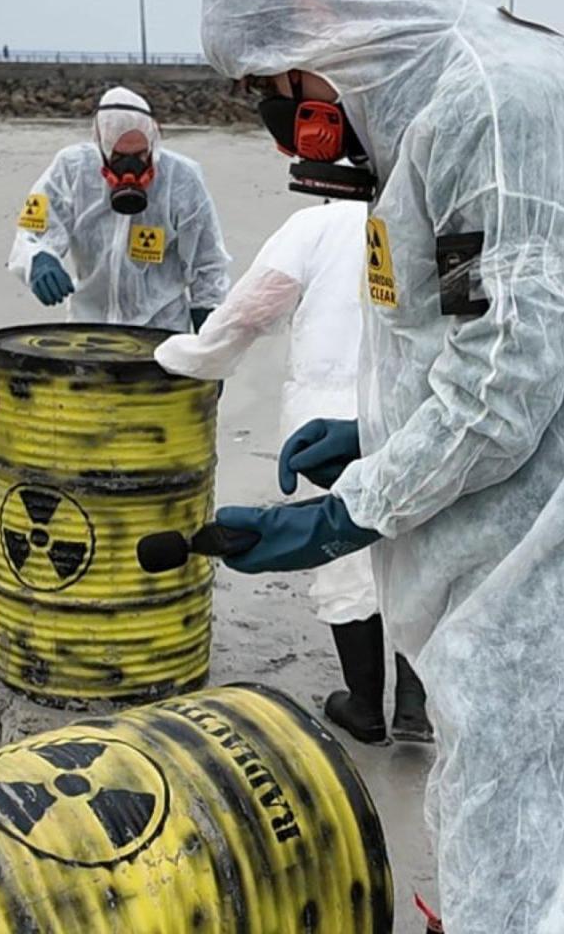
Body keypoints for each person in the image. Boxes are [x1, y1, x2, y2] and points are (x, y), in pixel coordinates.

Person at [200, 0, 564, 932]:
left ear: (322, 26)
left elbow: (504, 391)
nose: (277, 115)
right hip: (505, 521)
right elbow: (491, 340)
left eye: (268, 85)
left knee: (515, 859)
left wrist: (345, 513)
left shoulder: (492, 107)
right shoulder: (441, 109)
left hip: (550, 541)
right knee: (504, 833)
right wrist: (380, 434)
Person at [155, 200, 430, 745]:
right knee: (415, 548)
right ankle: (415, 708)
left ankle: (364, 705)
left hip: (322, 421)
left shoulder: (314, 225)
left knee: (344, 557)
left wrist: (188, 358)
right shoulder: (422, 211)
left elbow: (252, 310)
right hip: (412, 409)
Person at [8, 85, 233, 331]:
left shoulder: (181, 179)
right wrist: (39, 259)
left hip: (160, 329)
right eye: (118, 157)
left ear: (153, 142)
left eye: (140, 155)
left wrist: (207, 315)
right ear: (101, 147)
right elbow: (32, 231)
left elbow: (207, 259)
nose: (130, 168)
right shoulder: (72, 169)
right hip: (89, 327)